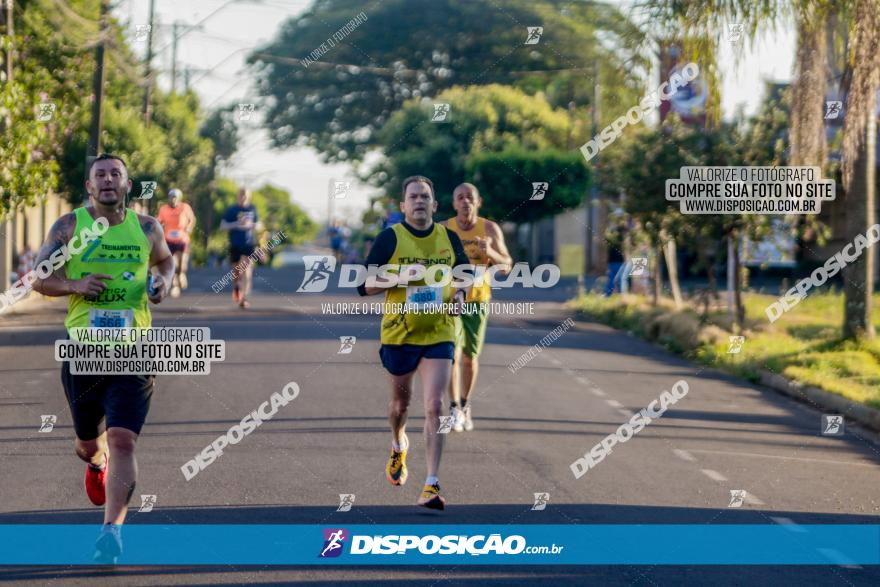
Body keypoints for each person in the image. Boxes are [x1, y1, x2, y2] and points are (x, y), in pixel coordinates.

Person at [31, 153, 174, 564]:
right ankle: (96, 465)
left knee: (123, 440)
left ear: (128, 184)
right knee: (88, 446)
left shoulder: (147, 227)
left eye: (116, 174)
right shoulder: (69, 226)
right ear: (89, 188)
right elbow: (41, 277)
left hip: (134, 350)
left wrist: (160, 281)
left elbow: (164, 260)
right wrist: (76, 283)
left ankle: (112, 532)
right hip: (83, 351)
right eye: (100, 175)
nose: (108, 180)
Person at [357, 175, 470, 510]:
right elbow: (363, 285)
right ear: (403, 205)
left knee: (435, 405)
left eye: (425, 197)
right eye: (413, 197)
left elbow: (464, 274)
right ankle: (398, 442)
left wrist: (461, 295)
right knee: (400, 407)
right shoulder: (389, 238)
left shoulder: (448, 237)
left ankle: (431, 484)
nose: (419, 201)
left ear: (435, 205)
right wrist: (399, 277)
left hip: (440, 332)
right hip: (399, 333)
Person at [443, 183, 512, 432]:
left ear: (478, 202)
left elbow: (507, 266)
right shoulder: (444, 228)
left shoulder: (490, 228)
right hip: (451, 300)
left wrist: (490, 251)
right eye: (460, 197)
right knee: (451, 354)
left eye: (470, 197)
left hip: (478, 301)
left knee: (470, 358)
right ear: (454, 203)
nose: (465, 201)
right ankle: (452, 408)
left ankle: (465, 404)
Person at [220, 188, 262, 309]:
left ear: (249, 196)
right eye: (241, 195)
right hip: (235, 244)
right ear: (238, 196)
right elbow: (223, 226)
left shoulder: (252, 209)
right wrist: (237, 224)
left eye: (245, 195)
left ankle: (244, 298)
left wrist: (252, 225)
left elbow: (259, 225)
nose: (243, 197)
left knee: (247, 271)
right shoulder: (232, 210)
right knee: (236, 272)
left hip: (249, 244)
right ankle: (237, 287)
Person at [157, 188, 196, 297]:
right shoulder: (164, 209)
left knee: (182, 264)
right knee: (173, 264)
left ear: (179, 198)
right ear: (169, 198)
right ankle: (175, 286)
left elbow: (192, 219)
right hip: (169, 240)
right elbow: (159, 221)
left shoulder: (185, 207)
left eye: (175, 197)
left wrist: (189, 227)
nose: (173, 199)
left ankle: (182, 274)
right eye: (171, 197)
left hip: (182, 239)